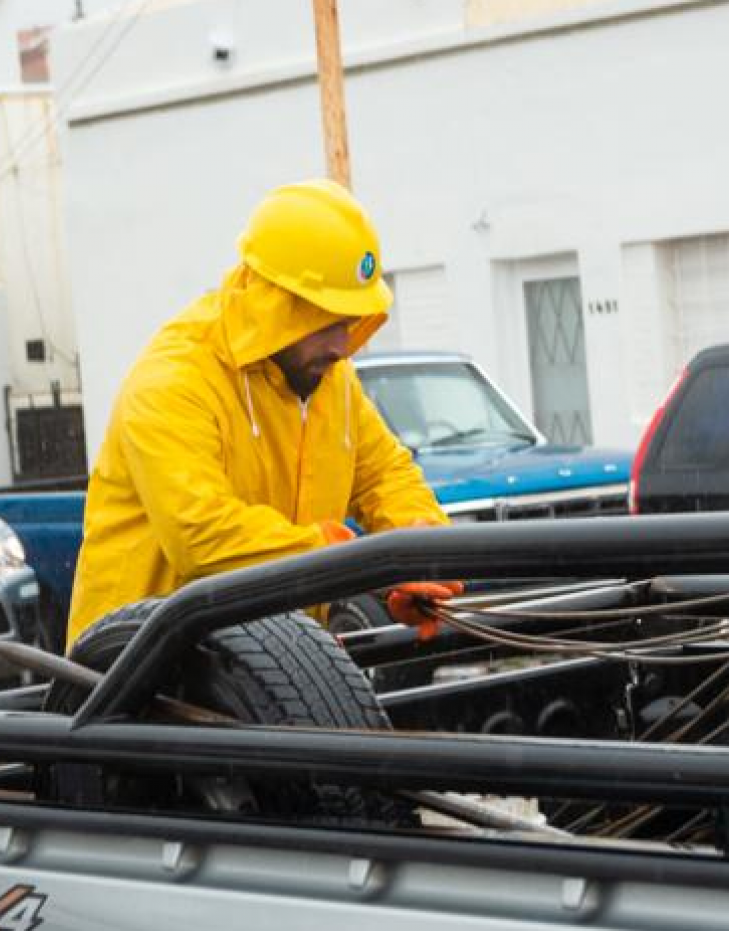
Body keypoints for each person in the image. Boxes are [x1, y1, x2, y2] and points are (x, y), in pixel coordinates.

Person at [67, 179, 461, 646]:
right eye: (328, 322)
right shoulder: (174, 381)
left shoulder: (330, 379)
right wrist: (349, 561)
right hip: (132, 675)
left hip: (261, 662)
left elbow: (384, 476)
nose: (343, 345)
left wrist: (417, 557)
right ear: (276, 305)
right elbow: (203, 536)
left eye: (351, 322)